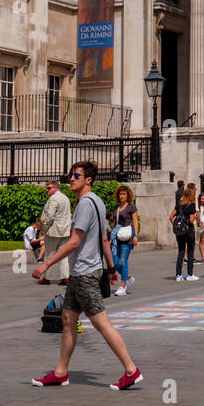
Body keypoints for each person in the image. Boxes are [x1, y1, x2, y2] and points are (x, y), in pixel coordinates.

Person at [31, 160, 141, 390]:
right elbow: (103, 239)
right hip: (84, 271)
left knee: (101, 323)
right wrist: (111, 269)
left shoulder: (85, 205)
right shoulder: (99, 203)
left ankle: (131, 370)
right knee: (68, 319)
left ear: (88, 179)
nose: (71, 178)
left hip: (84, 273)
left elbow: (75, 241)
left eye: (76, 175)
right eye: (70, 175)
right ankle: (61, 372)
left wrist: (46, 264)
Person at [40, 178, 72, 285]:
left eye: (48, 188)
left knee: (49, 253)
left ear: (55, 188)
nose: (47, 190)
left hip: (53, 230)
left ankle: (46, 277)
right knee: (64, 254)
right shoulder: (66, 198)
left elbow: (50, 215)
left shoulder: (53, 199)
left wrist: (45, 226)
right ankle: (65, 276)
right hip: (65, 230)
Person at [112, 184, 138, 295]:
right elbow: (114, 223)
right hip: (116, 237)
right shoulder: (116, 208)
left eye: (124, 194)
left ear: (128, 195)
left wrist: (136, 235)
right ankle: (127, 277)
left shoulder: (131, 207)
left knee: (123, 261)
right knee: (115, 262)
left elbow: (135, 221)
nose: (122, 196)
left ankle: (123, 287)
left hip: (127, 237)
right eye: (120, 194)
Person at [170, 185, 199, 281]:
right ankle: (190, 274)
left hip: (180, 231)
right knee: (190, 252)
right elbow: (191, 220)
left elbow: (171, 217)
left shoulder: (179, 205)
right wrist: (195, 215)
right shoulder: (191, 205)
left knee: (181, 252)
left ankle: (178, 275)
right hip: (189, 230)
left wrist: (177, 225)